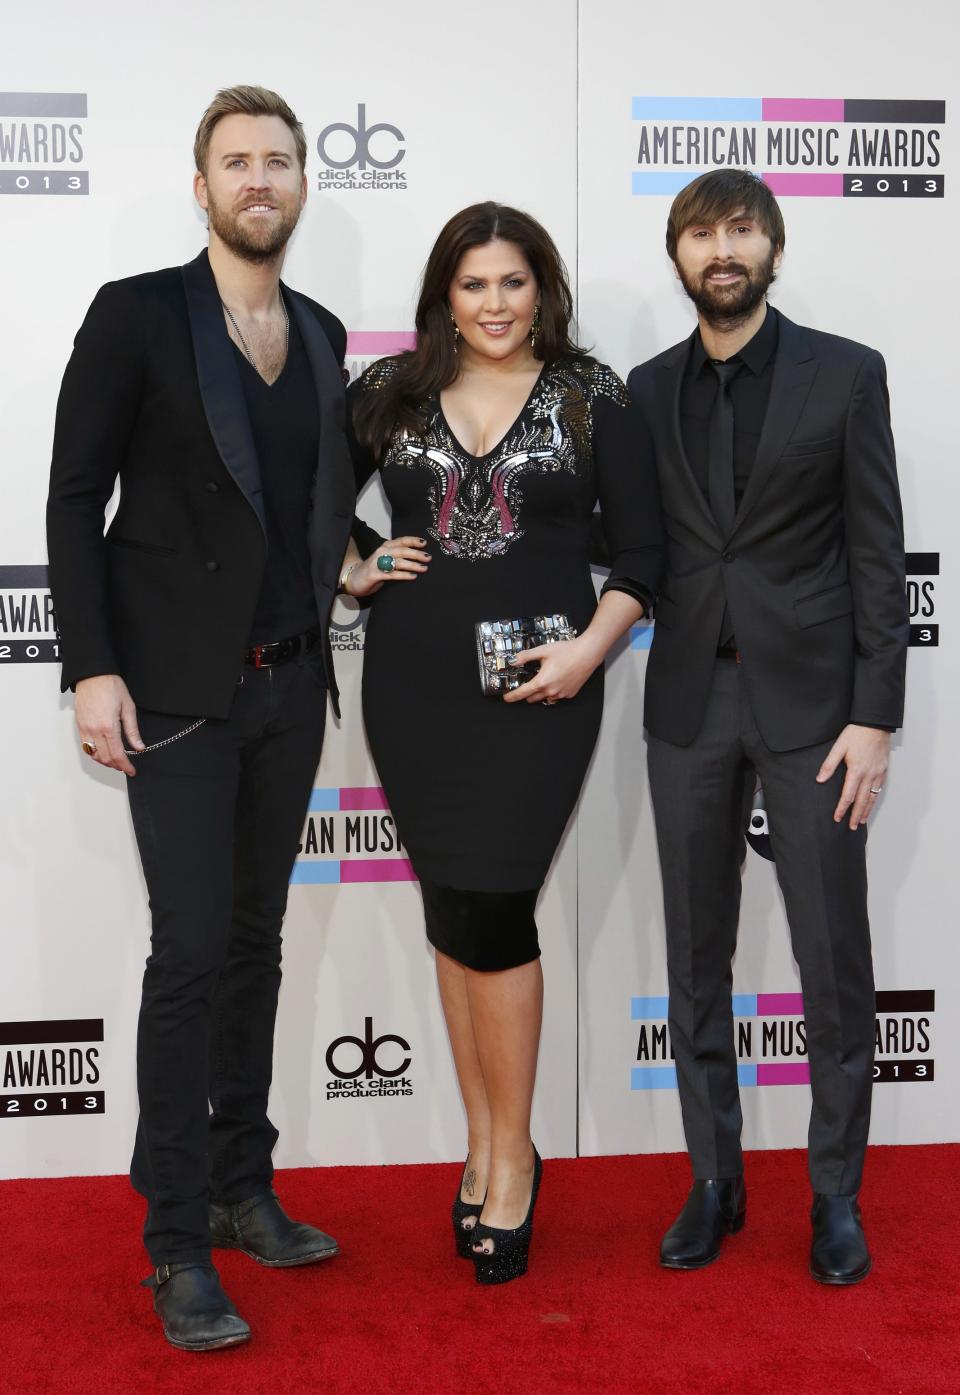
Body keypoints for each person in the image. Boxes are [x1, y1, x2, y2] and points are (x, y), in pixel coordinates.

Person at [46, 85, 359, 1351]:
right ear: (202, 185)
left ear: (301, 184)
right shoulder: (134, 316)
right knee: (187, 959)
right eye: (237, 162)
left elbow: (303, 508)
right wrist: (91, 666)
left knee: (256, 943)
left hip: (290, 684)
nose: (259, 180)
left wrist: (359, 561)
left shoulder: (328, 332)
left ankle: (241, 1185)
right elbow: (74, 501)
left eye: (278, 162)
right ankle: (175, 1238)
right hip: (173, 694)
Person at [342, 202, 663, 1284]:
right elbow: (297, 499)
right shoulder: (389, 391)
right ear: (445, 295)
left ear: (544, 291)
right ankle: (485, 1143)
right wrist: (356, 563)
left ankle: (514, 1157)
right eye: (473, 285)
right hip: (415, 687)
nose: (493, 305)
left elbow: (646, 554)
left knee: (498, 908)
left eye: (513, 283)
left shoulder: (593, 394)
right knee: (452, 911)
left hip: (544, 686)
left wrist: (589, 654)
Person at [628, 169, 908, 1284]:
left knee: (831, 960)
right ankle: (715, 1181)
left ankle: (834, 1195)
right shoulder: (645, 392)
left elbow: (878, 554)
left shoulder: (845, 374)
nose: (723, 248)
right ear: (680, 255)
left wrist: (875, 715)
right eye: (702, 232)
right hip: (688, 701)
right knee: (695, 960)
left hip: (814, 715)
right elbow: (629, 548)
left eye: (742, 228)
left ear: (774, 249)